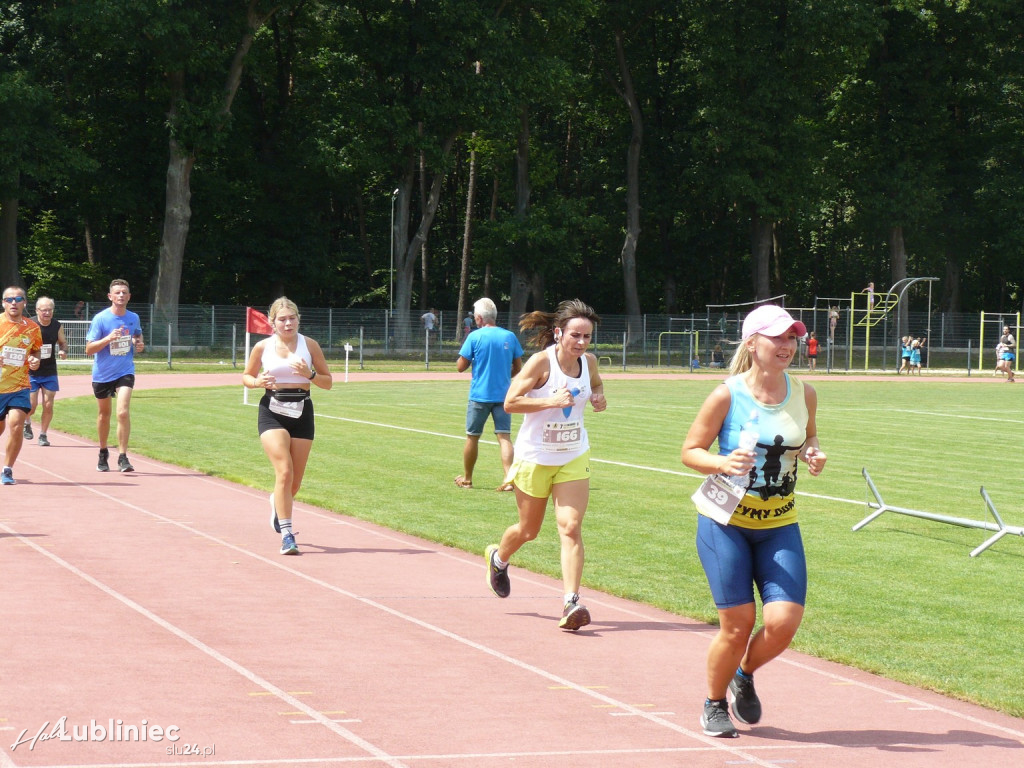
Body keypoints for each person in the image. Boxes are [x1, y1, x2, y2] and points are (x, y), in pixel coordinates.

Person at [681, 304, 827, 738]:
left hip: (779, 523)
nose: (787, 345)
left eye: (792, 337)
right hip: (724, 521)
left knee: (783, 623)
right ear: (752, 342)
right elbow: (690, 451)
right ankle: (713, 703)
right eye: (777, 337)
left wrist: (814, 452)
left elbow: (810, 435)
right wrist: (723, 463)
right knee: (739, 623)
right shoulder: (727, 394)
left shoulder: (805, 392)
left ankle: (744, 674)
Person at [484, 299, 607, 631]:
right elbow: (510, 402)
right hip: (536, 457)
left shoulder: (589, 362)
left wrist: (599, 397)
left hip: (573, 455)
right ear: (558, 333)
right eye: (575, 335)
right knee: (529, 531)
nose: (581, 343)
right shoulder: (541, 363)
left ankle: (571, 602)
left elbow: (595, 385)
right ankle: (498, 558)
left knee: (570, 527)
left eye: (587, 337)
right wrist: (550, 400)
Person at [242, 297, 332, 555]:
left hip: (303, 410)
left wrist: (310, 374)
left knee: (295, 482)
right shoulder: (262, 347)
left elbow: (328, 382)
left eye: (292, 318)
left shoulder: (310, 345)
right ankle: (287, 534)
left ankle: (276, 502)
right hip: (272, 410)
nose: (288, 323)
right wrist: (258, 381)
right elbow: (246, 376)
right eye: (282, 319)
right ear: (273, 322)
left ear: (298, 320)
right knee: (284, 471)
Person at [455, 297, 524, 491]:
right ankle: (508, 480)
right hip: (503, 396)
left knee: (472, 436)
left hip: (479, 396)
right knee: (504, 438)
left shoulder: (474, 337)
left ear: (478, 318)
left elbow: (461, 366)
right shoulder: (509, 336)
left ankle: (467, 479)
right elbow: (518, 367)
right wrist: (503, 375)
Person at [85, 279, 145, 472]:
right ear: (110, 296)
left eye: (124, 293)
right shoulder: (101, 319)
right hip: (103, 373)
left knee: (122, 411)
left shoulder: (133, 317)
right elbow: (89, 349)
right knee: (104, 414)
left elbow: (137, 335)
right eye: (117, 292)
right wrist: (108, 338)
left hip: (125, 370)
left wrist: (139, 344)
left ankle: (123, 456)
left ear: (129, 296)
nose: (121, 295)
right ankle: (103, 452)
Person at [0, 286, 42, 485]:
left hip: (20, 386)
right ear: (3, 303)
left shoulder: (32, 327)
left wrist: (35, 360)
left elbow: (36, 351)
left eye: (18, 299)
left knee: (16, 426)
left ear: (25, 302)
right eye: (9, 299)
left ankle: (7, 469)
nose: (13, 302)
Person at [24, 296, 68, 446]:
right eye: (44, 310)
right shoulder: (30, 325)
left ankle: (43, 435)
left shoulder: (56, 325)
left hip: (49, 370)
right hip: (31, 371)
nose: (47, 313)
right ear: (37, 310)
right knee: (32, 405)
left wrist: (63, 351)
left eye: (50, 310)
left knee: (48, 404)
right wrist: (29, 358)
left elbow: (63, 342)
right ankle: (27, 422)